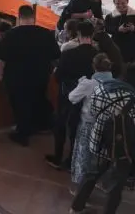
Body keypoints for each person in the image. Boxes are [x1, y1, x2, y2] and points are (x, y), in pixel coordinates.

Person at [69, 74, 135, 214]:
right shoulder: (132, 98)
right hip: (123, 148)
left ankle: (76, 208)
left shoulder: (100, 90)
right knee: (116, 186)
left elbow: (93, 112)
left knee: (90, 174)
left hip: (99, 141)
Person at [0, 5, 60, 146]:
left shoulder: (11, 35)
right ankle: (41, 125)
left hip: (16, 77)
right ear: (34, 17)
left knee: (19, 104)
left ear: (19, 17)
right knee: (38, 99)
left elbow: (2, 59)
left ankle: (23, 133)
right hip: (40, 75)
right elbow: (56, 57)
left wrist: (0, 75)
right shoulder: (45, 33)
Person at [46, 21, 96, 170]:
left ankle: (57, 157)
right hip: (88, 98)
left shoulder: (68, 54)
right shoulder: (98, 55)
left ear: (78, 34)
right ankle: (72, 161)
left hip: (67, 95)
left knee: (61, 124)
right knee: (77, 129)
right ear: (93, 35)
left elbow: (58, 76)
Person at [68, 53, 114, 189]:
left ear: (94, 67)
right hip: (107, 126)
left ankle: (80, 190)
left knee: (84, 157)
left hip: (88, 125)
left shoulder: (89, 84)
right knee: (102, 157)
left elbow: (72, 97)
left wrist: (81, 83)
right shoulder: (115, 83)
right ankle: (101, 182)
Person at [104, 0, 135, 64]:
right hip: (117, 46)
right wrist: (118, 29)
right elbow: (107, 29)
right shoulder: (110, 16)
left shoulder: (134, 14)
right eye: (117, 3)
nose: (120, 6)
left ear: (127, 1)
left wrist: (133, 28)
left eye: (123, 3)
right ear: (114, 3)